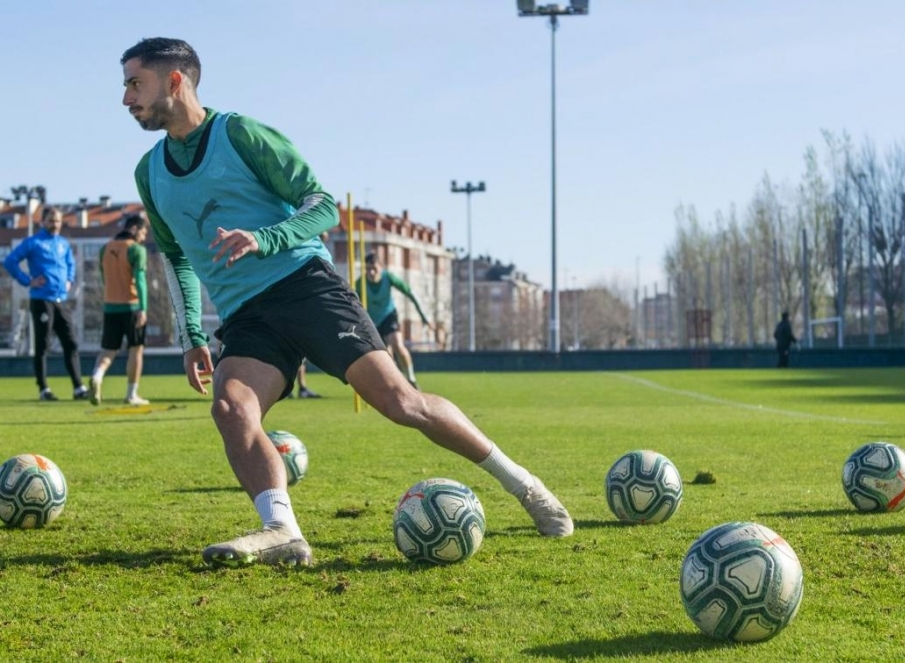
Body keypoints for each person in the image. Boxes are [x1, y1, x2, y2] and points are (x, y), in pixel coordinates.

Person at [120, 37, 573, 568]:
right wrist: (193, 334)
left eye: (135, 84)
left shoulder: (239, 134)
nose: (127, 99)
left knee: (402, 403)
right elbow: (176, 258)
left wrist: (266, 238)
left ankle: (524, 485)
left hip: (305, 287)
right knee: (231, 408)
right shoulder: (148, 172)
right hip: (247, 316)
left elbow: (322, 205)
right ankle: (282, 532)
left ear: (176, 81)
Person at [3, 206, 89, 401]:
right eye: (51, 221)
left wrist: (69, 279)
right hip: (41, 300)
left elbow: (70, 264)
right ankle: (44, 389)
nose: (55, 224)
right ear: (42, 222)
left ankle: (78, 387)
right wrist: (27, 280)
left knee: (71, 343)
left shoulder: (63, 244)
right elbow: (10, 261)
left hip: (61, 300)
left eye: (57, 221)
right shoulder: (33, 243)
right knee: (42, 345)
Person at [89, 214, 151, 406]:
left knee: (108, 350)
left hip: (110, 307)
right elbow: (140, 281)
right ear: (134, 229)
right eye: (143, 232)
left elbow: (103, 279)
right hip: (132, 307)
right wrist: (143, 308)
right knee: (136, 350)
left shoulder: (104, 249)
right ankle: (132, 394)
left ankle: (97, 376)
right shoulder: (136, 250)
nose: (144, 237)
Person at [358, 252, 430, 390]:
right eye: (368, 269)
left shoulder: (388, 278)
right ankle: (396, 380)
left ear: (381, 267)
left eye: (374, 269)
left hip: (389, 315)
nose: (371, 273)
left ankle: (411, 378)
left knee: (397, 343)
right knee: (385, 354)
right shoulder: (360, 283)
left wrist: (423, 317)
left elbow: (410, 293)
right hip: (373, 320)